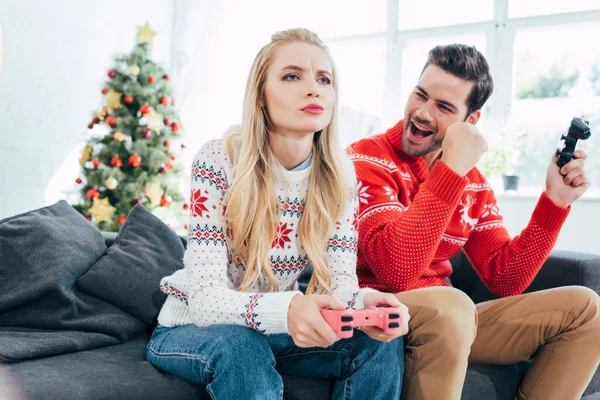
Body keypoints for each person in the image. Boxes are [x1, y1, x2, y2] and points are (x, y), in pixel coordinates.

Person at [146, 28, 409, 400]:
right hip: (191, 326)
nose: (314, 89)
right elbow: (206, 301)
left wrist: (366, 304)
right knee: (241, 345)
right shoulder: (218, 160)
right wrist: (289, 309)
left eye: (324, 79)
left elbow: (341, 286)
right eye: (292, 76)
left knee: (379, 344)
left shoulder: (340, 178)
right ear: (260, 98)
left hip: (274, 331)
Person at [348, 43, 600, 400]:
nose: (422, 113)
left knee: (586, 309)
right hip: (378, 314)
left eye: (444, 107)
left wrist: (554, 202)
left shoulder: (473, 181)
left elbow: (505, 277)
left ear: (470, 121)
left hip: (451, 322)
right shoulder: (366, 159)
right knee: (454, 306)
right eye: (420, 95)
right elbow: (395, 271)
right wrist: (450, 171)